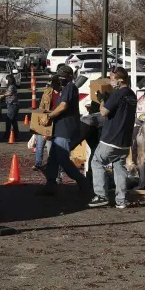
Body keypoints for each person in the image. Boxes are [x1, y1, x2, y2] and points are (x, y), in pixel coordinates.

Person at [88, 67, 137, 209]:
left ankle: (101, 195)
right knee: (119, 167)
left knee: (97, 162)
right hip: (124, 141)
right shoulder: (132, 95)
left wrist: (102, 100)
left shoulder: (118, 94)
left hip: (111, 139)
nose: (110, 81)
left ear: (120, 80)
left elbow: (104, 112)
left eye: (112, 78)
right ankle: (121, 200)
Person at [38, 66, 89, 195]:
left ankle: (82, 181)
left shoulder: (70, 87)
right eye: (59, 76)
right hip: (59, 129)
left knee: (62, 159)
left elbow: (63, 106)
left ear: (70, 76)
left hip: (66, 129)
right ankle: (50, 185)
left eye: (63, 76)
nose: (61, 78)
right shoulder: (64, 88)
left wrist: (49, 116)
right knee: (53, 159)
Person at [32, 75, 65, 184]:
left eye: (55, 84)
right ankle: (39, 164)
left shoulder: (63, 93)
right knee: (40, 144)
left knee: (53, 151)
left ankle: (56, 176)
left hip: (56, 123)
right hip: (46, 120)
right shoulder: (47, 92)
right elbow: (42, 107)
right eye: (52, 84)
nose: (53, 86)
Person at [0, 75, 20, 141]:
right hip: (12, 105)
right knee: (13, 121)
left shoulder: (11, 86)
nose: (6, 81)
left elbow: (9, 93)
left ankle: (8, 134)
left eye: (6, 79)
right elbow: (6, 92)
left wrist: (2, 96)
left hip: (12, 105)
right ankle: (15, 135)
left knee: (9, 120)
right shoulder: (10, 86)